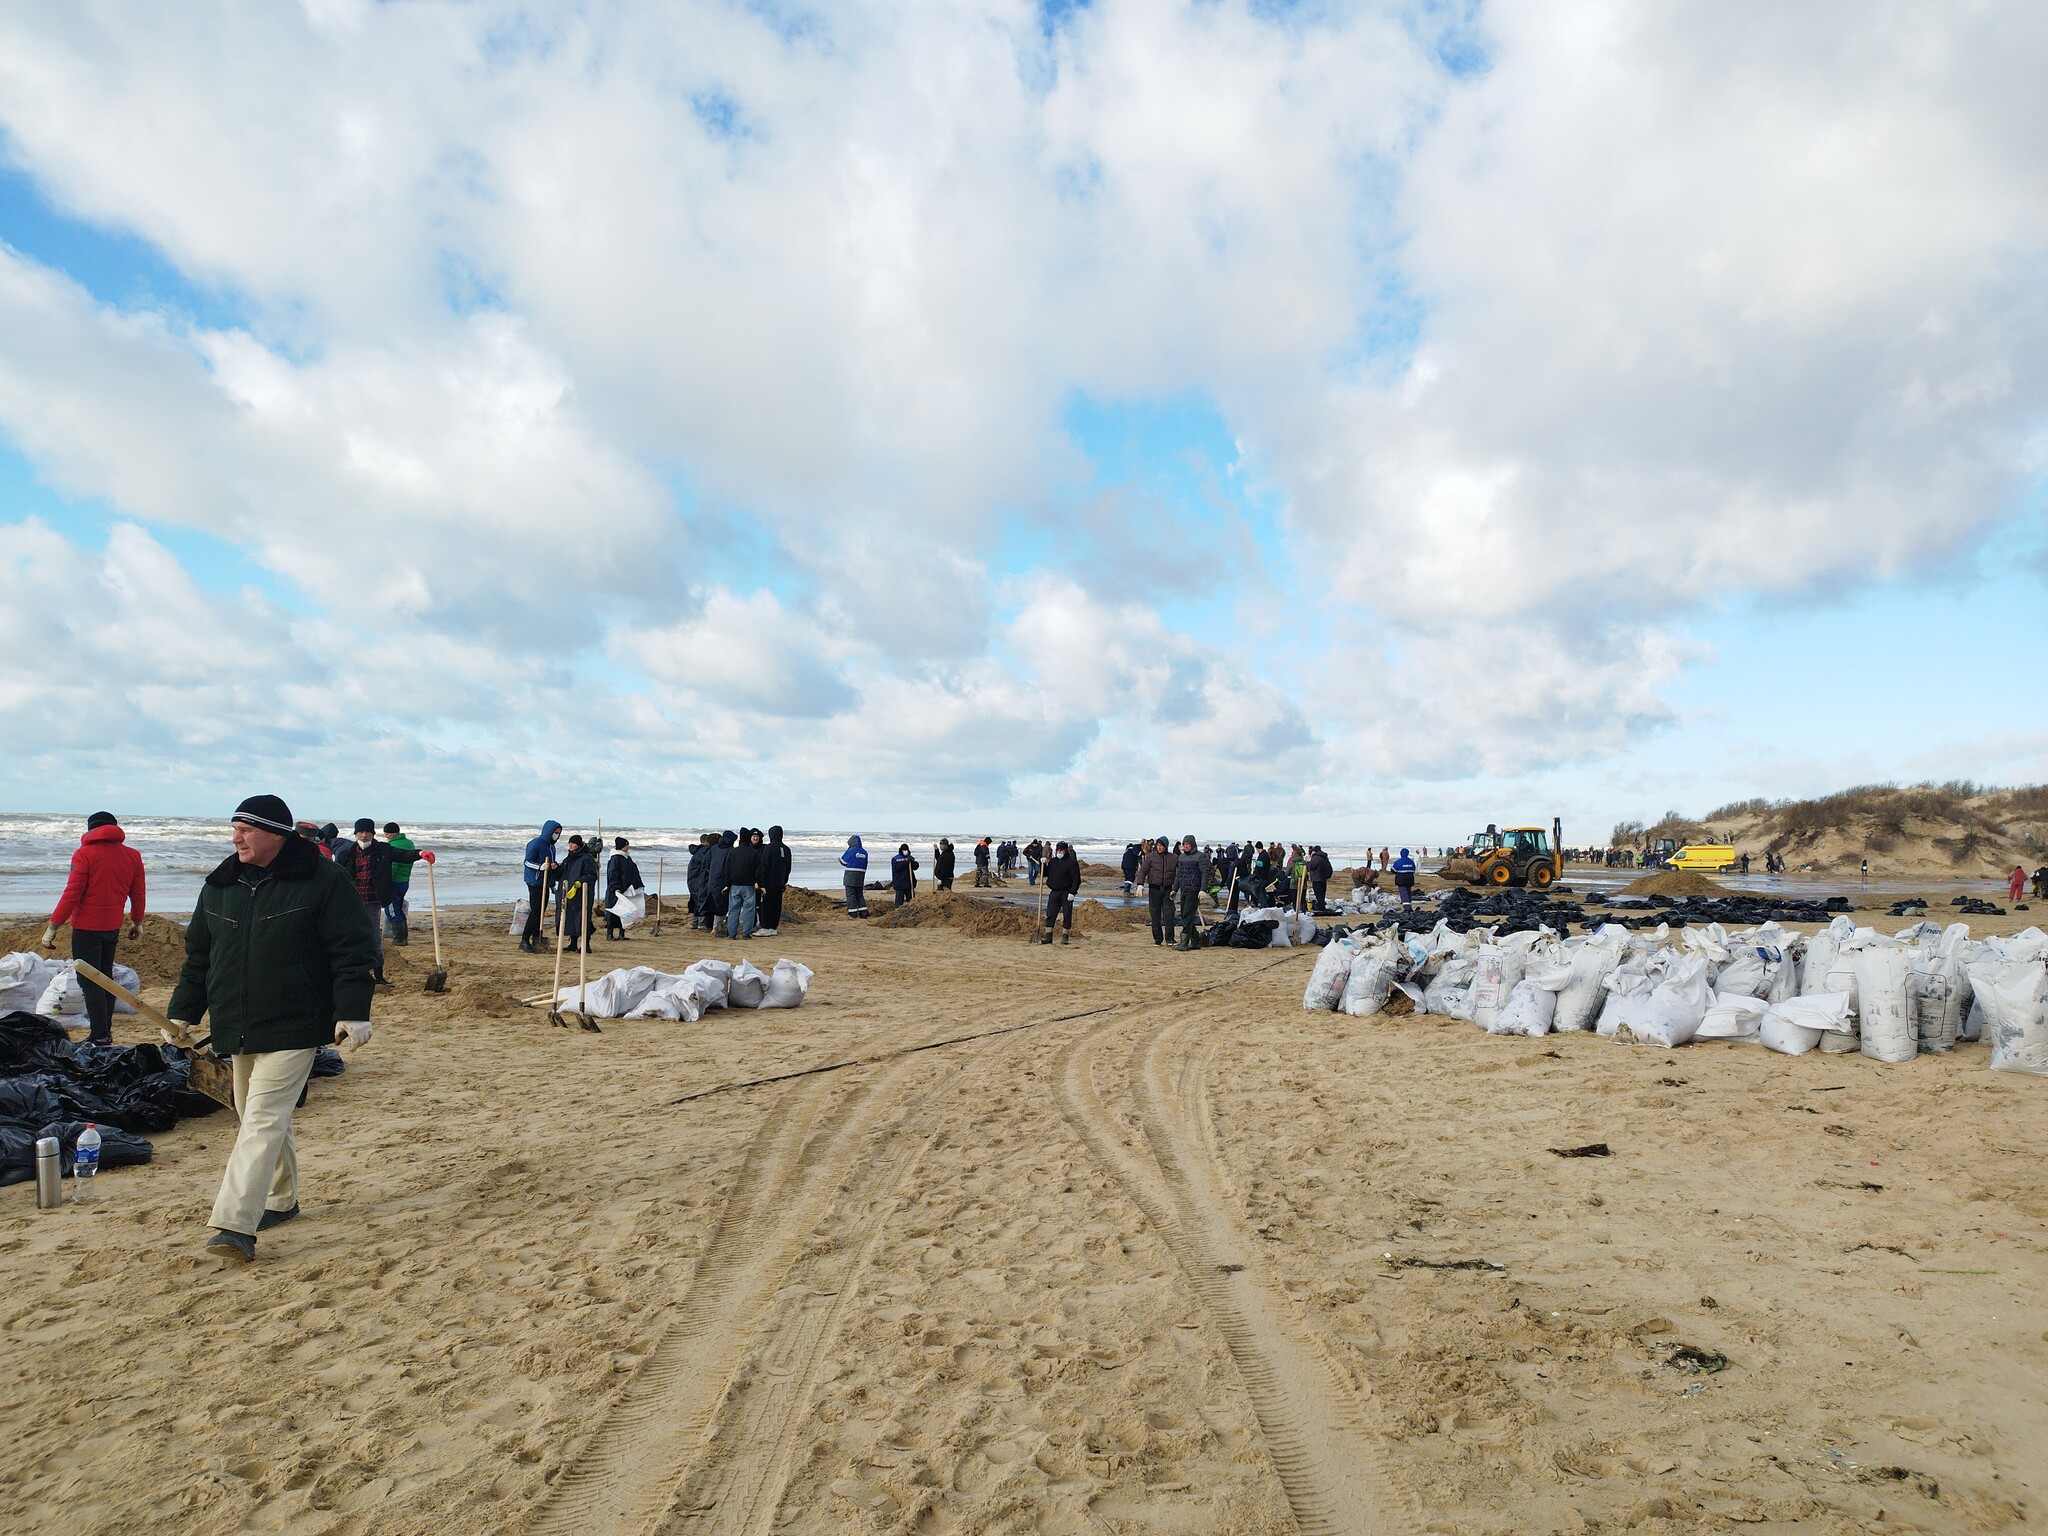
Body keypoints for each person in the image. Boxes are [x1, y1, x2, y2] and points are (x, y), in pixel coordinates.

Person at [167, 795, 377, 1263]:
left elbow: (353, 949)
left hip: (297, 1021)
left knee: (261, 1117)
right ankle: (281, 1200)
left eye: (245, 828)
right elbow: (200, 955)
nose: (235, 837)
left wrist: (353, 1010)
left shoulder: (322, 880)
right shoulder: (221, 884)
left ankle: (234, 1224)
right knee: (253, 1112)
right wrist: (184, 1010)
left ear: (274, 834)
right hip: (236, 1021)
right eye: (234, 828)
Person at [43, 811, 147, 1045]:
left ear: (91, 829)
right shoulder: (132, 855)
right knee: (105, 977)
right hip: (112, 927)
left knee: (89, 981)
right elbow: (138, 892)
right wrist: (137, 921)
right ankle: (105, 1032)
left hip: (86, 928)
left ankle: (99, 1035)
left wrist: (53, 926)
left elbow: (72, 892)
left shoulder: (84, 854)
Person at [333, 818, 421, 985]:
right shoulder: (347, 854)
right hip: (352, 903)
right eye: (361, 832)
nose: (364, 835)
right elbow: (337, 876)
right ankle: (357, 974)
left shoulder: (383, 850)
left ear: (373, 834)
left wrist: (420, 854)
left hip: (372, 902)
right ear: (356, 833)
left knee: (374, 938)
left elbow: (403, 855)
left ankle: (379, 977)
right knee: (352, 938)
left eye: (368, 832)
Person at [520, 820, 562, 952]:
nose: (557, 835)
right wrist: (540, 867)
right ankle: (524, 940)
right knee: (536, 911)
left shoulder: (552, 847)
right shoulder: (536, 843)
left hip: (545, 883)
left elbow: (550, 865)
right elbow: (527, 862)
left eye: (559, 833)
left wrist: (552, 881)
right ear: (548, 831)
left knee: (541, 912)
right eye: (555, 832)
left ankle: (536, 937)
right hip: (534, 881)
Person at [1039, 840, 1080, 944]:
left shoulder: (1072, 863)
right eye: (1058, 850)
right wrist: (1042, 864)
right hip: (1054, 892)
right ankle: (1048, 937)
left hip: (1067, 892)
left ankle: (1065, 937)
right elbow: (1044, 874)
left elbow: (1076, 879)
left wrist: (1072, 892)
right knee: (1050, 913)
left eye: (1061, 850)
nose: (1059, 852)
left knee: (1067, 914)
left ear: (1065, 851)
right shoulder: (1053, 861)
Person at [383, 822, 418, 944]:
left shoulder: (394, 846)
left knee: (392, 910)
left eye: (387, 833)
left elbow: (393, 866)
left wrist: (386, 881)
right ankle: (400, 935)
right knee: (397, 908)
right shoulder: (409, 844)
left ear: (393, 833)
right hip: (404, 880)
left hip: (395, 881)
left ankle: (400, 938)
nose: (386, 836)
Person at [1140, 834, 1177, 946]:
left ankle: (1170, 939)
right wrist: (1140, 884)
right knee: (1155, 915)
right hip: (1154, 889)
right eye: (1158, 845)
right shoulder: (1151, 857)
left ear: (1166, 846)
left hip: (1168, 890)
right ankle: (1157, 939)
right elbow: (1143, 871)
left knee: (1169, 915)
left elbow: (1180, 873)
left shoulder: (1174, 857)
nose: (1160, 847)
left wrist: (1175, 888)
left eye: (1162, 845)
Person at [604, 836, 644, 941]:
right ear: (622, 846)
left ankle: (622, 933)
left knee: (625, 912)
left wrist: (638, 885)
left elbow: (634, 873)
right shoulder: (615, 859)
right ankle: (609, 934)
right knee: (614, 912)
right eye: (627, 845)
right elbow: (613, 874)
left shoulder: (628, 858)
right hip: (615, 891)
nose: (628, 847)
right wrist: (616, 887)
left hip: (627, 890)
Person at [726, 830, 761, 939]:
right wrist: (758, 883)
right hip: (749, 886)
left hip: (735, 885)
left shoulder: (732, 852)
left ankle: (732, 934)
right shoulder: (754, 853)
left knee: (733, 910)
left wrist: (727, 884)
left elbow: (727, 869)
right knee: (749, 911)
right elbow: (758, 871)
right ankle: (746, 934)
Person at [758, 826, 793, 936]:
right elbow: (788, 868)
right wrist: (784, 881)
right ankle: (773, 927)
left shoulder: (769, 848)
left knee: (766, 905)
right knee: (777, 905)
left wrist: (761, 882)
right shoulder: (786, 849)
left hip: (769, 882)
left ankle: (766, 927)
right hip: (780, 882)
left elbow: (764, 866)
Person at [1173, 835, 1205, 949]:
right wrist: (1174, 889)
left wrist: (1203, 890)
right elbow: (1179, 875)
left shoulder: (1200, 857)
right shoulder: (1181, 857)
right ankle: (1196, 941)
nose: (1185, 846)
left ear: (1192, 844)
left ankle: (1184, 942)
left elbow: (1205, 874)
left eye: (1188, 844)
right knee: (1185, 915)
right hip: (1184, 889)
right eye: (1184, 844)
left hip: (1194, 890)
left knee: (1187, 915)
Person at [705, 830, 737, 936]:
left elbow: (706, 863)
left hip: (713, 880)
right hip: (724, 882)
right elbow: (731, 868)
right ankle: (718, 928)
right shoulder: (731, 851)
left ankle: (712, 927)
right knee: (723, 905)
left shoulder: (714, 848)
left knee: (714, 903)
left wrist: (712, 873)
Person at [686, 832, 717, 931]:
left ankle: (695, 921)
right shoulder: (706, 852)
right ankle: (701, 922)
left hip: (693, 879)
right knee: (702, 899)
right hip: (699, 879)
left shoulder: (698, 851)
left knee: (696, 899)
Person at [841, 835, 870, 918]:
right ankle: (863, 912)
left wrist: (847, 851)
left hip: (850, 875)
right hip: (861, 875)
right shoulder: (865, 852)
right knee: (859, 894)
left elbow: (843, 861)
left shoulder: (851, 850)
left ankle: (853, 913)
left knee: (850, 894)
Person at [1307, 846, 1333, 913]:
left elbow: (1311, 866)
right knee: (1322, 893)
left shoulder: (1316, 857)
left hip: (1317, 878)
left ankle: (1321, 907)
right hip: (1324, 878)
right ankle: (1322, 905)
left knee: (1318, 893)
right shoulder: (1324, 856)